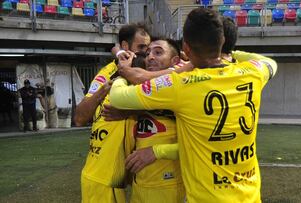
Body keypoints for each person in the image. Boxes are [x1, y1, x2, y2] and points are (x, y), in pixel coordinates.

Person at [109, 8, 277, 202]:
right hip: (251, 197)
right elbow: (269, 62)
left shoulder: (181, 84)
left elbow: (118, 97)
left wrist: (123, 71)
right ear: (221, 41)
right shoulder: (253, 73)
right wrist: (226, 51)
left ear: (186, 50)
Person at [75, 23, 151, 203]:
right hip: (102, 177)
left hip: (132, 177)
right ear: (126, 47)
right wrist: (103, 91)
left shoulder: (145, 73)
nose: (145, 53)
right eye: (141, 47)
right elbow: (79, 118)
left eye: (148, 48)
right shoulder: (107, 73)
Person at [114, 38, 185, 203]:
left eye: (158, 52)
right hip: (140, 186)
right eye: (148, 53)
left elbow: (196, 147)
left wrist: (156, 151)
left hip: (170, 188)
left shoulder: (184, 90)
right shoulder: (145, 91)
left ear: (175, 61)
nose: (150, 57)